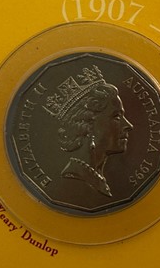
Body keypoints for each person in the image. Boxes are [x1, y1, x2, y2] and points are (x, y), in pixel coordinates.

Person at [43, 65, 135, 197]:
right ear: (88, 126)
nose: (129, 125)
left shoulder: (96, 178)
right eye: (116, 116)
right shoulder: (75, 184)